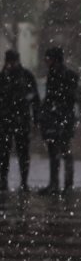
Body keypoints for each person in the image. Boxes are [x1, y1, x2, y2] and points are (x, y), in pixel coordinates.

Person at [38, 46, 79, 195]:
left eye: (48, 59)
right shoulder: (54, 74)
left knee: (63, 151)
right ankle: (57, 183)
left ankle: (65, 184)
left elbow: (69, 97)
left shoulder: (66, 75)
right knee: (56, 151)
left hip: (62, 117)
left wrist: (54, 104)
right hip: (57, 117)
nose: (46, 62)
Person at [0, 49, 40, 192]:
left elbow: (34, 99)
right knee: (6, 152)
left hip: (17, 119)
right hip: (10, 119)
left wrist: (36, 119)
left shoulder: (23, 76)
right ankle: (6, 181)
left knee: (19, 152)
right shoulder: (8, 76)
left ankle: (22, 182)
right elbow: (34, 99)